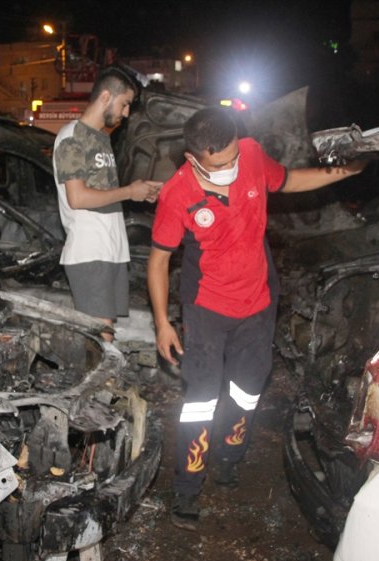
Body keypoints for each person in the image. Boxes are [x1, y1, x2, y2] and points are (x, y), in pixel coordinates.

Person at [147, 107, 365, 531]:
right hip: (207, 310)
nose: (231, 167)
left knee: (247, 393)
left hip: (259, 304)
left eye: (233, 157)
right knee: (201, 403)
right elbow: (158, 261)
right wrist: (162, 323)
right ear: (194, 158)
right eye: (220, 163)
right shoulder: (176, 194)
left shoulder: (250, 153)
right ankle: (188, 488)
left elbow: (288, 179)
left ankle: (229, 458)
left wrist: (344, 173)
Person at [53, 67, 163, 340]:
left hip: (110, 248)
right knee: (101, 339)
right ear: (105, 96)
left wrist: (139, 192)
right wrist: (128, 192)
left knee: (105, 334)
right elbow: (77, 198)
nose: (126, 113)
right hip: (90, 251)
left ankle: (106, 382)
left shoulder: (101, 139)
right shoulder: (71, 138)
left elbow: (104, 192)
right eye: (124, 104)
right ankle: (105, 384)